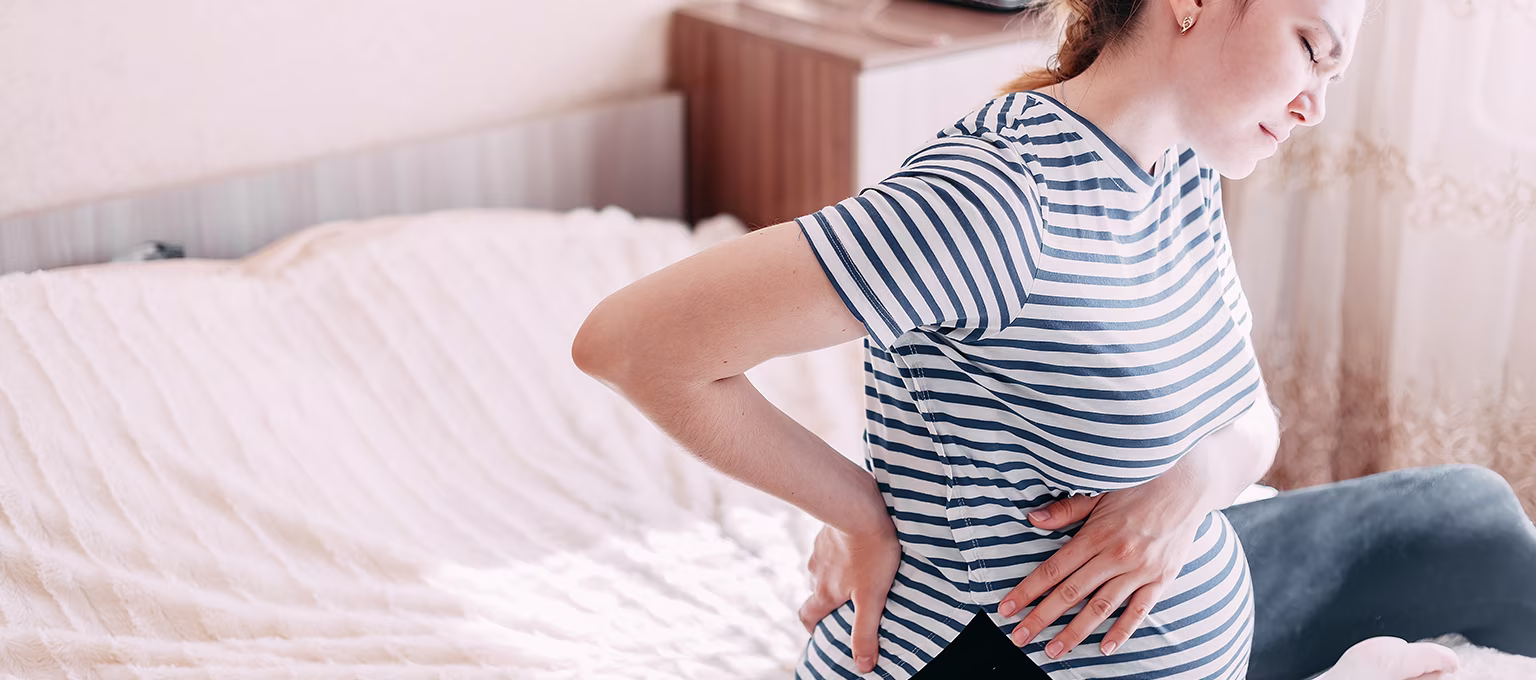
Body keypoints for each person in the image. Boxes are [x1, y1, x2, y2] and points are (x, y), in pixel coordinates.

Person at [571, 0, 1519, 677]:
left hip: (1199, 597)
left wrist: (1183, 493)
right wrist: (862, 513)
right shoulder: (994, 202)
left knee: (1467, 512)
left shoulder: (1178, 164)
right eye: (1312, 47)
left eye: (1334, 73)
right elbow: (632, 344)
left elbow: (1249, 420)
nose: (1318, 106)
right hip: (995, 652)